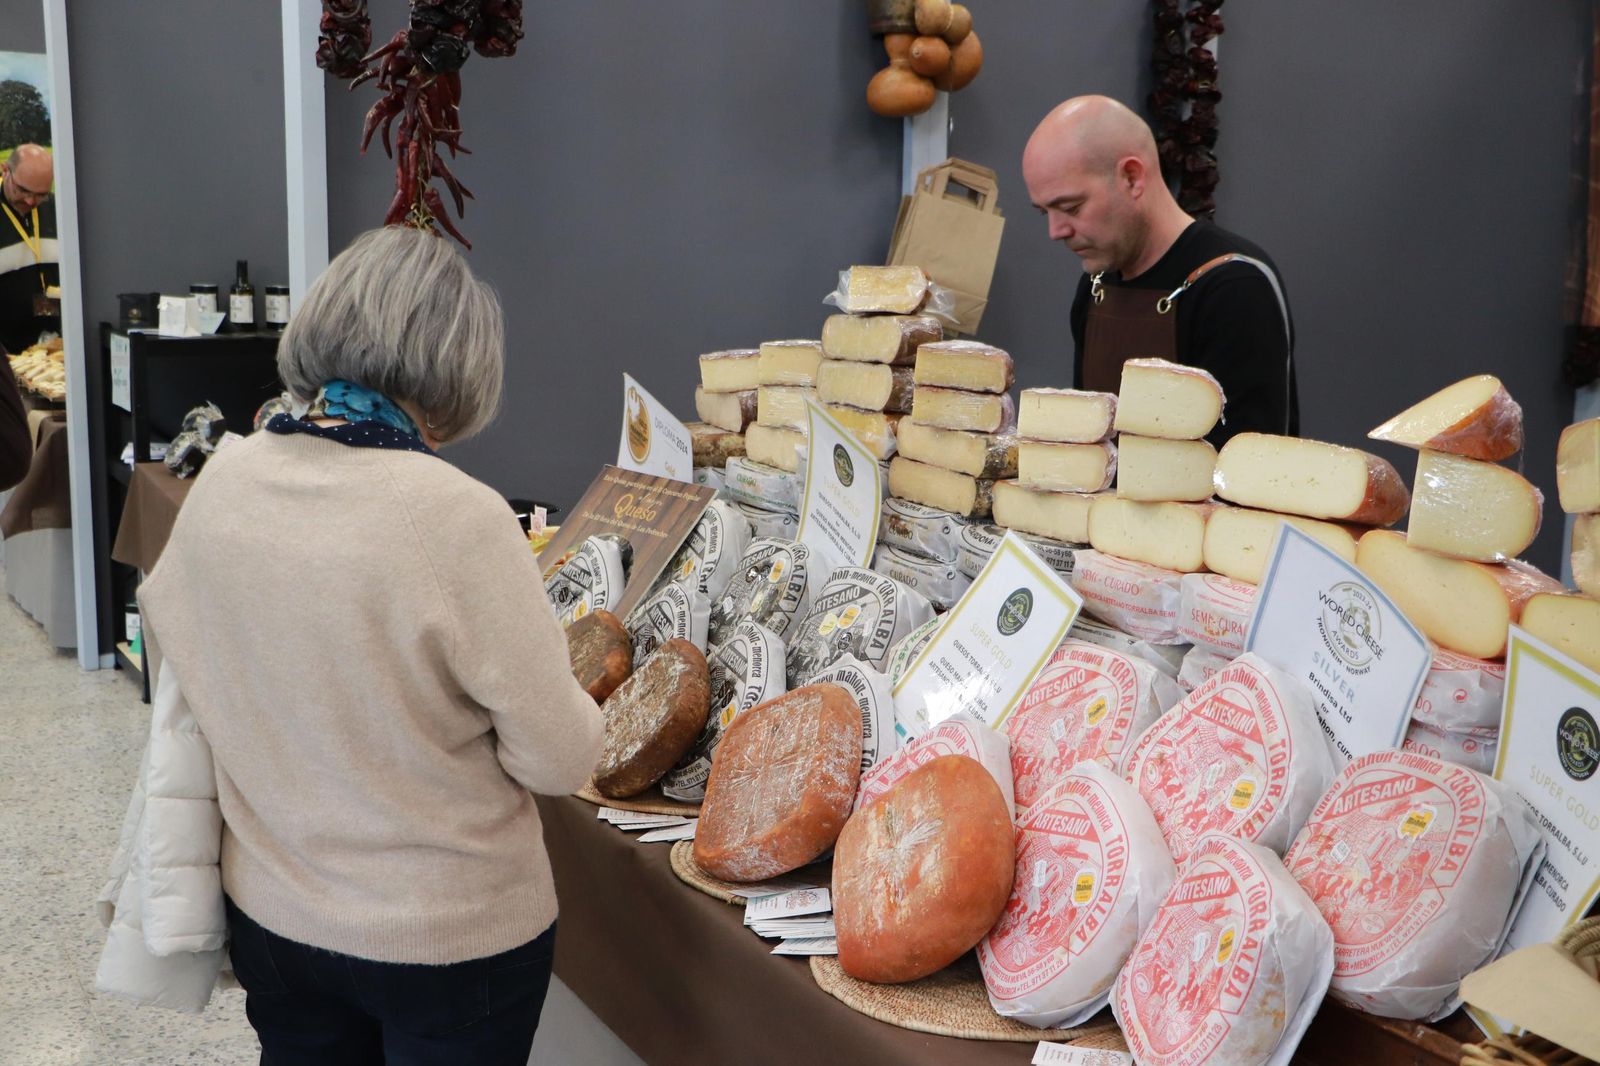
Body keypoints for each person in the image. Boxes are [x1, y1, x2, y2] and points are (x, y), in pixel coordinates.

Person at [121, 226, 604, 1063]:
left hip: (274, 915)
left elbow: (187, 663)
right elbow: (558, 760)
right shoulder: (458, 518)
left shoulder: (224, 480)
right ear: (459, 367)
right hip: (445, 936)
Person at [1022, 95, 1298, 444]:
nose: (1055, 231)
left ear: (1132, 178)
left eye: (1071, 207)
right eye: (1044, 212)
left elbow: (1257, 472)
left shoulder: (1234, 287)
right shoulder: (1096, 285)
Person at [0, 144, 60, 356]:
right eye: (23, 190)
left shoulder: (58, 211)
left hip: (53, 351)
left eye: (40, 194)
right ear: (4, 170)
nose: (30, 201)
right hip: (6, 356)